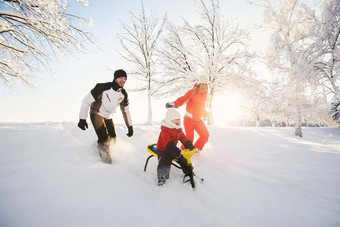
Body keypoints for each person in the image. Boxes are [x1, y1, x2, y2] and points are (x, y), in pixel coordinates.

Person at [78, 69, 133, 164]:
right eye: (121, 77)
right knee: (104, 137)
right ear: (115, 78)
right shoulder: (102, 87)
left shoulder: (123, 94)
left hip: (108, 116)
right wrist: (82, 119)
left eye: (125, 78)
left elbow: (126, 111)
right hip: (97, 113)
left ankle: (97, 148)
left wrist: (130, 126)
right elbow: (86, 101)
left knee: (113, 138)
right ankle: (106, 162)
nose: (123, 80)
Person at [166, 75, 209, 151]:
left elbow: (202, 106)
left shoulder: (205, 95)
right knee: (189, 140)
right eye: (202, 84)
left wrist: (205, 114)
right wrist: (173, 104)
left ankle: (196, 150)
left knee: (205, 135)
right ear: (199, 84)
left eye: (206, 84)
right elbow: (182, 99)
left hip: (198, 120)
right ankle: (182, 153)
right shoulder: (192, 92)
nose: (204, 86)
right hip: (189, 120)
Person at [156, 108, 194, 186]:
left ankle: (188, 173)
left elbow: (182, 137)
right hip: (163, 149)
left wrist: (188, 143)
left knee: (184, 159)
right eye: (175, 119)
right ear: (170, 120)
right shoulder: (165, 130)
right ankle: (162, 178)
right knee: (165, 161)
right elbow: (168, 145)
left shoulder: (178, 128)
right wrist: (178, 154)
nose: (178, 121)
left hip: (172, 148)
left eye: (179, 119)